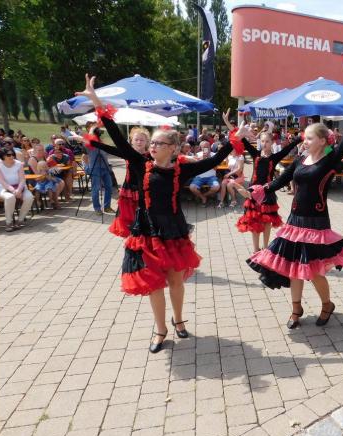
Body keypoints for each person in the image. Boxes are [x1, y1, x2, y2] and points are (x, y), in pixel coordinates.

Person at [78, 74, 238, 352]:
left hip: (174, 230)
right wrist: (97, 102)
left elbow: (214, 159)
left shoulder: (183, 168)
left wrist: (234, 137)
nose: (152, 147)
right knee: (153, 284)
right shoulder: (141, 163)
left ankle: (178, 321)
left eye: (158, 144)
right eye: (151, 143)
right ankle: (161, 330)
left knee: (175, 280)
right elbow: (116, 135)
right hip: (147, 230)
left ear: (173, 148)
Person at [247, 80, 343, 329]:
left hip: (317, 224)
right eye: (304, 137)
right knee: (293, 269)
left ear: (323, 140)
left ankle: (326, 304)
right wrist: (264, 188)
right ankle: (296, 310)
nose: (305, 141)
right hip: (295, 222)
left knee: (314, 271)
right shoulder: (301, 158)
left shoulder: (331, 160)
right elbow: (283, 178)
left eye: (309, 137)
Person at [234, 110, 303, 251]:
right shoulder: (256, 154)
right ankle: (255, 249)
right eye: (263, 141)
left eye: (267, 141)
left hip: (267, 191)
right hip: (253, 191)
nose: (264, 143)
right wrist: (235, 128)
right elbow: (243, 140)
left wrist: (301, 137)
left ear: (272, 143)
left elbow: (288, 147)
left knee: (267, 222)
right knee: (254, 221)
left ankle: (266, 248)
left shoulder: (274, 157)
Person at [84, 123, 151, 237]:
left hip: (144, 189)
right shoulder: (127, 153)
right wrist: (91, 133)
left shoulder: (151, 155)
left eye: (142, 140)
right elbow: (107, 148)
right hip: (129, 189)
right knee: (128, 217)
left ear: (146, 142)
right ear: (132, 141)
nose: (139, 142)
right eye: (137, 139)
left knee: (144, 216)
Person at [0, 148, 34, 232]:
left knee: (29, 197)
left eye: (13, 154)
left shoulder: (18, 164)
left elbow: (22, 179)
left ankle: (20, 220)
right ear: (2, 156)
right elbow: (2, 181)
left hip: (20, 187)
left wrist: (18, 190)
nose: (11, 156)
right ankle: (9, 222)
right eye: (8, 155)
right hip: (3, 188)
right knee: (10, 197)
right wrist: (13, 191)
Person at [83, 127, 114, 214]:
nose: (99, 134)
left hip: (105, 167)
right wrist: (91, 131)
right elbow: (85, 144)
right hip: (95, 168)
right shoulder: (90, 143)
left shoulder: (101, 142)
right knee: (96, 189)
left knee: (109, 187)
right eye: (98, 132)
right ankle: (97, 208)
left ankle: (107, 206)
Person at [188, 142, 221, 207]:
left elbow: (215, 169)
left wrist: (210, 159)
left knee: (216, 187)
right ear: (201, 148)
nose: (206, 148)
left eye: (207, 147)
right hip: (199, 177)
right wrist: (202, 159)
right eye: (204, 147)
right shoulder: (197, 155)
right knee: (192, 187)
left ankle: (203, 196)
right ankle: (203, 198)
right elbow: (195, 168)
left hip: (211, 177)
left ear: (210, 147)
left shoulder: (214, 155)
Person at [217, 140, 246, 209]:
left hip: (238, 176)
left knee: (229, 185)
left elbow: (239, 169)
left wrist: (229, 174)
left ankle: (233, 200)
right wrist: (225, 155)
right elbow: (226, 166)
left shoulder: (240, 157)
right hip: (231, 176)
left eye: (233, 149)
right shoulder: (230, 156)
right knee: (223, 183)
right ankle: (221, 202)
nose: (232, 150)